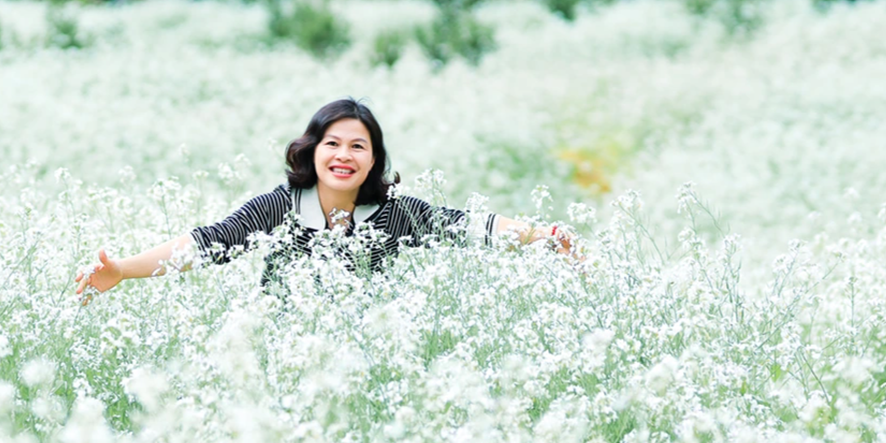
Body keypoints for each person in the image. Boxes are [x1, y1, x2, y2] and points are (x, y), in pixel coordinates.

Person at [76, 97, 574, 296]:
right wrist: (121, 269)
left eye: (358, 146)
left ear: (374, 160)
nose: (343, 155)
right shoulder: (281, 207)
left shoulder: (395, 214)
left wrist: (546, 237)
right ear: (312, 152)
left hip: (365, 362)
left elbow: (472, 228)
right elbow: (205, 245)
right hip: (280, 357)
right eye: (332, 143)